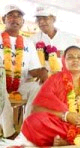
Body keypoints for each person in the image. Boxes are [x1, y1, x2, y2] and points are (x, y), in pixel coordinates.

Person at [0, 4, 47, 138]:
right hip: (1, 83)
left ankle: (27, 129)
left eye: (18, 16)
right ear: (4, 19)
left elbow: (33, 70)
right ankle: (10, 134)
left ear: (22, 22)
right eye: (11, 16)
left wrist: (42, 71)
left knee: (39, 86)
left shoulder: (28, 43)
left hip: (20, 85)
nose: (15, 19)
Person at [31, 6, 77, 71]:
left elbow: (77, 60)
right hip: (42, 80)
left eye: (45, 18)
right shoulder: (33, 40)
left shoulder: (68, 38)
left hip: (64, 78)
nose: (41, 22)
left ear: (54, 19)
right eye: (38, 19)